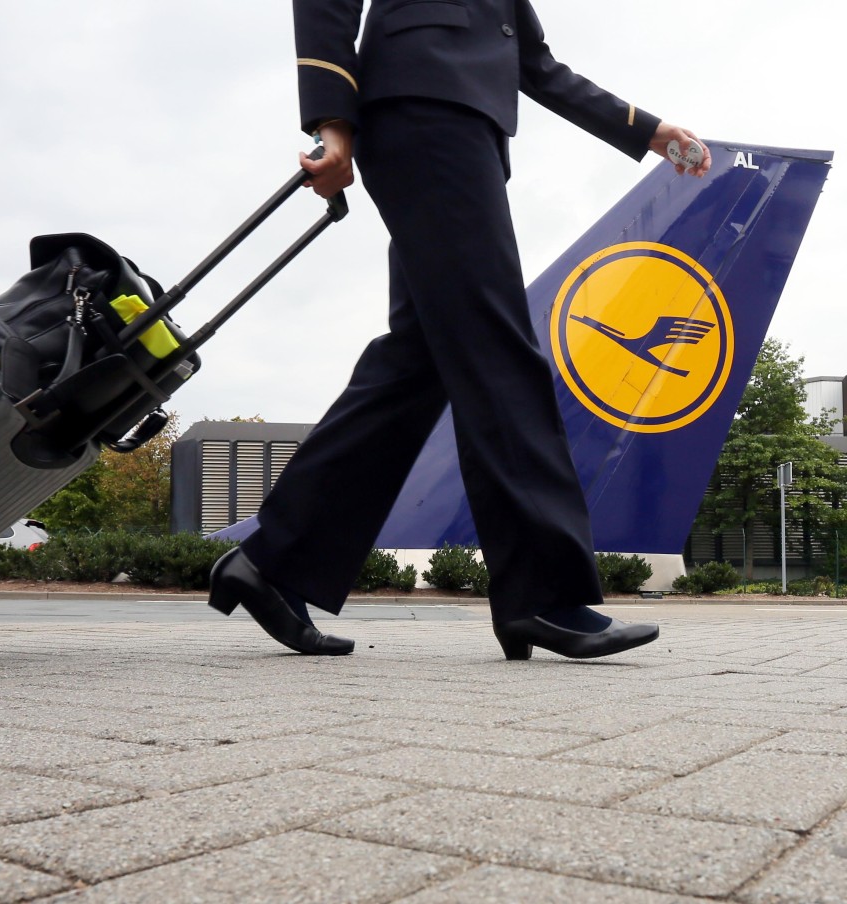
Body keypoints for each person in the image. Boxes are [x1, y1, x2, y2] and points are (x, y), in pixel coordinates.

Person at [207, 0, 710, 660]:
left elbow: (535, 63)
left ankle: (273, 561)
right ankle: (543, 594)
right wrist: (333, 121)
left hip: (462, 131)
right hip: (422, 116)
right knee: (497, 345)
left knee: (419, 362)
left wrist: (644, 128)